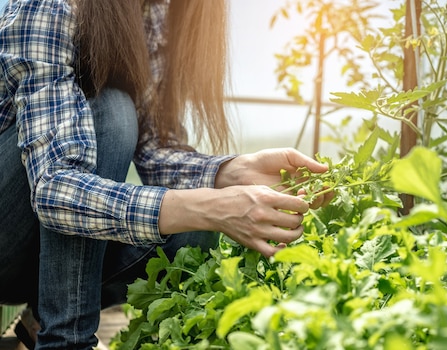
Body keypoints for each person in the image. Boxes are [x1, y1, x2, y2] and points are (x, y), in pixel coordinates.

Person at [0, 0, 332, 348]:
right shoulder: (51, 6)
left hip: (43, 259)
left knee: (195, 230)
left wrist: (233, 172)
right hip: (10, 238)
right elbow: (55, 189)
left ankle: (40, 318)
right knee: (111, 112)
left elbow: (154, 148)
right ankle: (67, 341)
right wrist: (214, 206)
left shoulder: (156, 10)